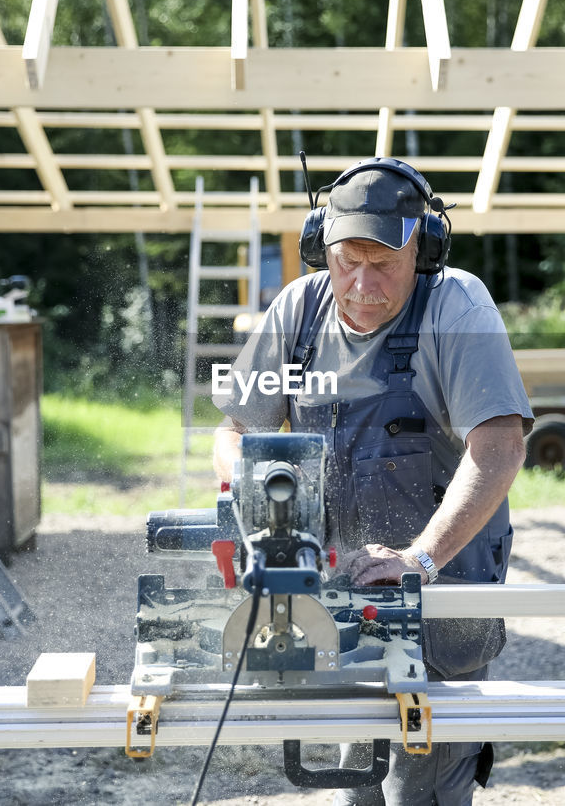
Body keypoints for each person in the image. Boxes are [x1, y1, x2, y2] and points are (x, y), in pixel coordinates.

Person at [211, 157, 532, 806]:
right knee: (353, 782)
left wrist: (420, 557)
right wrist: (264, 490)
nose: (361, 282)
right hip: (339, 596)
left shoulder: (457, 307)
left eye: (383, 261)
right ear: (319, 245)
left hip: (440, 591)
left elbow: (499, 447)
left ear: (425, 246)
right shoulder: (300, 310)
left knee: (422, 786)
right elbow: (233, 432)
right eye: (346, 258)